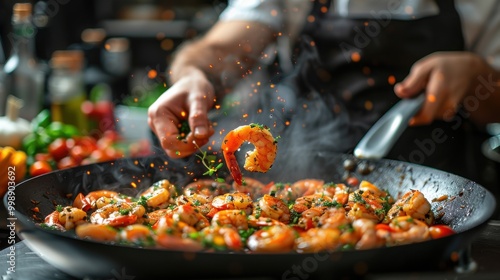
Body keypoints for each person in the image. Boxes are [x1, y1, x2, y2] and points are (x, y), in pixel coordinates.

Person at [148, 0, 500, 185]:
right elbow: (223, 50)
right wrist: (194, 76)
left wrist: (479, 77)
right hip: (301, 169)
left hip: (440, 182)